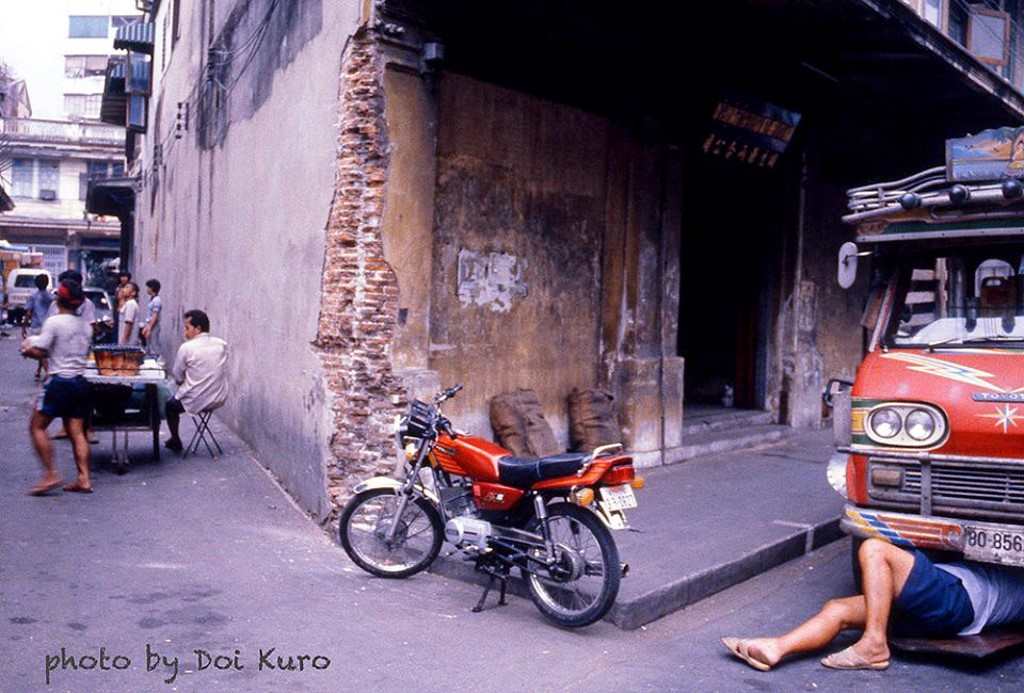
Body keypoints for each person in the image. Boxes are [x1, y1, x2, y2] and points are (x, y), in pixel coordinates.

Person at [722, 538, 1024, 672]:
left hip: (958, 598)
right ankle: (777, 648)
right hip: (948, 616)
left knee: (875, 549)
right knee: (838, 608)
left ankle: (874, 643)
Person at [20, 280, 94, 495]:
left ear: (58, 299)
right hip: (80, 381)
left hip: (59, 381)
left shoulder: (54, 322)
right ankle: (84, 478)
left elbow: (41, 350)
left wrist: (26, 351)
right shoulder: (85, 326)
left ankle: (51, 473)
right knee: (77, 431)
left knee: (37, 426)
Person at [164, 309, 229, 453]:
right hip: (219, 397)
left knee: (170, 405)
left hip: (197, 399)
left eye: (187, 328)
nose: (185, 332)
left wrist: (184, 382)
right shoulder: (221, 344)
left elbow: (178, 376)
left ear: (198, 329)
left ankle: (175, 440)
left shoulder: (186, 348)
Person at [24, 273, 54, 381]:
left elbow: (28, 313)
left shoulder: (33, 296)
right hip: (49, 327)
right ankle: (39, 370)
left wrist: (23, 328)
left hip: (36, 326)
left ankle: (47, 372)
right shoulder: (52, 297)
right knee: (43, 350)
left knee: (39, 350)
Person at [140, 279, 162, 354]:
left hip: (154, 326)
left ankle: (158, 361)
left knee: (154, 345)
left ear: (152, 288)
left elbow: (155, 315)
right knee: (149, 345)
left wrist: (149, 327)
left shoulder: (157, 300)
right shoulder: (152, 299)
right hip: (149, 324)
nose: (147, 289)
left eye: (148, 287)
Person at [118, 281, 139, 345]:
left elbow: (129, 323)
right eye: (124, 287)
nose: (124, 289)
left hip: (128, 343)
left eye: (127, 287)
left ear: (133, 293)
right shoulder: (127, 303)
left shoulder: (131, 304)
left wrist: (124, 340)